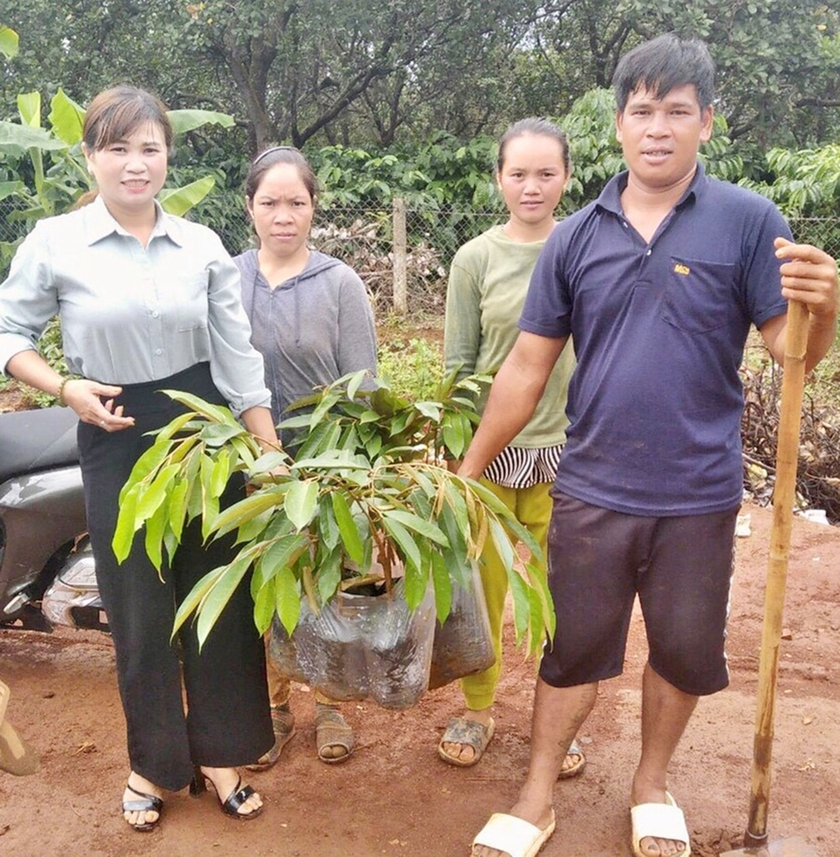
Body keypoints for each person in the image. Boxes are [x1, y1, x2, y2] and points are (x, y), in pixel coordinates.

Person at [465, 35, 838, 857]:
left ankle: (650, 783)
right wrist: (467, 468)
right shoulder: (575, 236)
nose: (658, 127)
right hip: (593, 484)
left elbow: (791, 349)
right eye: (642, 110)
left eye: (677, 111)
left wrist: (826, 306)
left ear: (707, 121)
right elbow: (528, 366)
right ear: (619, 122)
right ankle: (536, 792)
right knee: (573, 650)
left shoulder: (749, 223)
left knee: (681, 646)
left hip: (698, 493)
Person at [0, 86, 279, 831]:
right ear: (90, 155)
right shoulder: (55, 243)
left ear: (167, 155)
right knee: (139, 603)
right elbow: (8, 332)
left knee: (220, 595)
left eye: (149, 148)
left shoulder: (203, 246)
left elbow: (236, 354)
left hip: (204, 429)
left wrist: (268, 445)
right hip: (113, 424)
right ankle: (153, 763)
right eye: (117, 148)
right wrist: (63, 385)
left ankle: (223, 753)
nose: (135, 163)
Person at [440, 118, 584, 778]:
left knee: (564, 595)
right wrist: (457, 453)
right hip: (492, 457)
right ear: (498, 177)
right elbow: (460, 364)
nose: (532, 186)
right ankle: (477, 706)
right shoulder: (476, 258)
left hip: (571, 455)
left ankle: (558, 723)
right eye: (518, 173)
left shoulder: (588, 245)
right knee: (484, 589)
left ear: (566, 176)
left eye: (545, 173)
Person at [234, 145, 377, 768]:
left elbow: (363, 386)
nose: (283, 215)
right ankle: (271, 708)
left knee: (325, 583)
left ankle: (329, 705)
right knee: (261, 584)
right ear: (250, 208)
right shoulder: (226, 277)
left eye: (297, 202)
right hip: (244, 463)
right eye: (270, 202)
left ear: (314, 208)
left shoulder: (340, 283)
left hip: (325, 464)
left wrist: (355, 465)